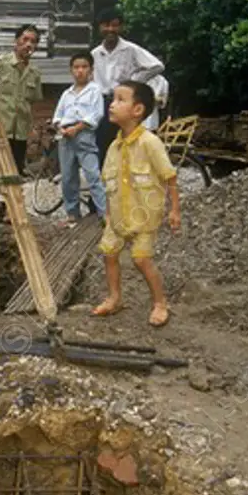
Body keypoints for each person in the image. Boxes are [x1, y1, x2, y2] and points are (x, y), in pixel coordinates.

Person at [93, 80, 181, 328]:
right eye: (113, 99)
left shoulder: (150, 142)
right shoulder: (114, 146)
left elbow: (169, 176)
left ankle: (160, 303)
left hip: (144, 217)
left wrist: (174, 210)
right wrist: (109, 215)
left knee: (141, 259)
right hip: (118, 217)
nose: (112, 105)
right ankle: (114, 297)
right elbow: (109, 184)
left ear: (138, 110)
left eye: (120, 100)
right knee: (109, 253)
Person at [91, 7, 164, 164]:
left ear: (121, 27)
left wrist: (134, 82)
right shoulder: (95, 54)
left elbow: (157, 66)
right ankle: (107, 184)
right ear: (99, 27)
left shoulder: (130, 49)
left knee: (128, 141)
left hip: (125, 102)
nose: (110, 29)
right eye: (106, 25)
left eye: (115, 25)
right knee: (103, 144)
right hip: (103, 103)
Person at [51, 51, 107, 225]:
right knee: (68, 177)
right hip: (65, 136)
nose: (80, 71)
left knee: (93, 175)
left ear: (91, 70)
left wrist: (77, 128)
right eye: (76, 67)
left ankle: (105, 214)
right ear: (71, 70)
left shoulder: (95, 90)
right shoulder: (67, 93)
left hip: (84, 135)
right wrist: (61, 128)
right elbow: (57, 116)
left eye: (84, 67)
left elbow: (96, 114)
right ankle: (72, 214)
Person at [0, 24, 42, 176]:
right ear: (16, 42)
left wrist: (32, 128)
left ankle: (9, 200)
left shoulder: (34, 73)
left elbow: (33, 101)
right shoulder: (1, 64)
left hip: (20, 132)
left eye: (33, 41)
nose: (29, 44)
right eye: (25, 39)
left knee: (14, 173)